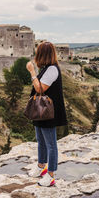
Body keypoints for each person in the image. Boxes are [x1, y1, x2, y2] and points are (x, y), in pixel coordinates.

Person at [26, 42, 67, 187]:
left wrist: (32, 72)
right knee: (41, 140)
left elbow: (40, 89)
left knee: (50, 143)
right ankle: (40, 166)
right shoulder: (46, 69)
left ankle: (50, 175)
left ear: (42, 55)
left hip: (48, 112)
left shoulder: (52, 70)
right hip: (41, 110)